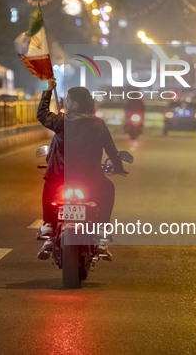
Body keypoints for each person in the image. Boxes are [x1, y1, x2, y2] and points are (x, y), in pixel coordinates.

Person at [37, 78, 127, 260]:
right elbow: (110, 148)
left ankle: (48, 224)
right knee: (108, 188)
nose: (66, 104)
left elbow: (42, 114)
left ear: (76, 103)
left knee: (48, 187)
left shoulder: (60, 122)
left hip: (60, 176)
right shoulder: (98, 124)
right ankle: (101, 228)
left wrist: (48, 91)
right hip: (91, 179)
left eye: (68, 101)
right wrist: (118, 167)